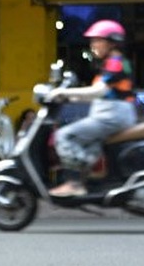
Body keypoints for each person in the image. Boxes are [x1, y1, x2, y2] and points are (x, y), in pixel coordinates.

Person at [48, 19, 137, 198]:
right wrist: (67, 97)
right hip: (111, 114)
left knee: (63, 136)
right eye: (92, 41)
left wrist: (64, 92)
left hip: (113, 115)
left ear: (112, 42)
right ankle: (92, 178)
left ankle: (74, 183)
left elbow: (98, 91)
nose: (93, 45)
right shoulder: (111, 63)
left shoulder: (115, 62)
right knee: (89, 145)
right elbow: (100, 93)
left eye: (98, 40)